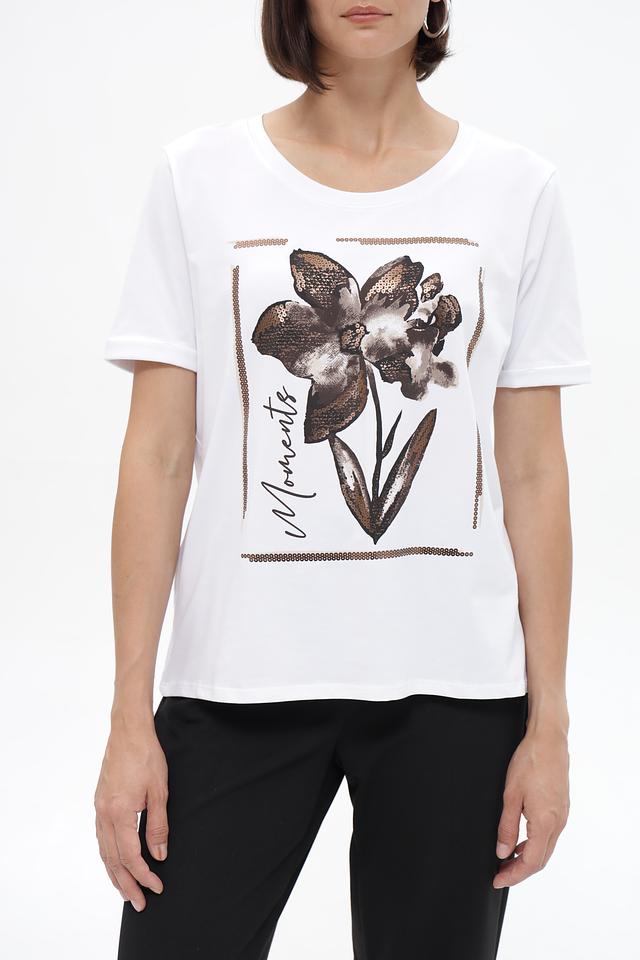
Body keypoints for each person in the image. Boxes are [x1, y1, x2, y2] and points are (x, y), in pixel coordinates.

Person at [95, 1, 592, 957]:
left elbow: (534, 471)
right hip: (235, 683)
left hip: (456, 692)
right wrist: (127, 719)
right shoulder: (199, 178)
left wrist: (550, 723)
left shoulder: (517, 190)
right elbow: (157, 457)